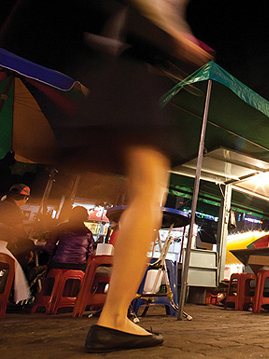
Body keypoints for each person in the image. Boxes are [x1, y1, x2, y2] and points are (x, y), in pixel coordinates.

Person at [1, 0, 212, 352]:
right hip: (133, 78)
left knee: (82, 195)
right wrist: (178, 40)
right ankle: (114, 318)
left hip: (110, 78)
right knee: (149, 194)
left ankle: (115, 317)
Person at [45, 206, 94, 271]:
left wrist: (55, 254)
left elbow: (49, 246)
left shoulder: (62, 227)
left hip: (59, 264)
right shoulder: (88, 233)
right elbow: (90, 253)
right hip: (79, 267)